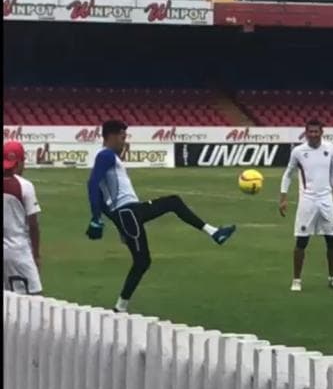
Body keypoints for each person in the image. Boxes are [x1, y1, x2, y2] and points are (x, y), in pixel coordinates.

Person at [85, 120, 236, 312]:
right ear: (112, 136)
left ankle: (120, 307)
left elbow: (98, 192)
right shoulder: (106, 156)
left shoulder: (109, 157)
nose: (124, 141)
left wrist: (111, 220)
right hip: (128, 213)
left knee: (145, 255)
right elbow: (92, 185)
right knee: (143, 259)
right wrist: (96, 218)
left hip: (129, 213)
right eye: (122, 137)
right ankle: (119, 309)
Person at [279, 119, 333, 292]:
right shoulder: (298, 151)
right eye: (311, 131)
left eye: (317, 131)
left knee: (332, 240)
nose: (314, 134)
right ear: (306, 132)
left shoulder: (330, 148)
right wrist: (283, 198)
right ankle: (296, 280)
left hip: (326, 201)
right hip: (307, 201)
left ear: (322, 132)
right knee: (301, 241)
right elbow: (288, 174)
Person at [3, 141, 42, 295]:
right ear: (18, 163)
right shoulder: (25, 186)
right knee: (36, 298)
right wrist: (37, 254)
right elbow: (33, 224)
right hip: (20, 250)